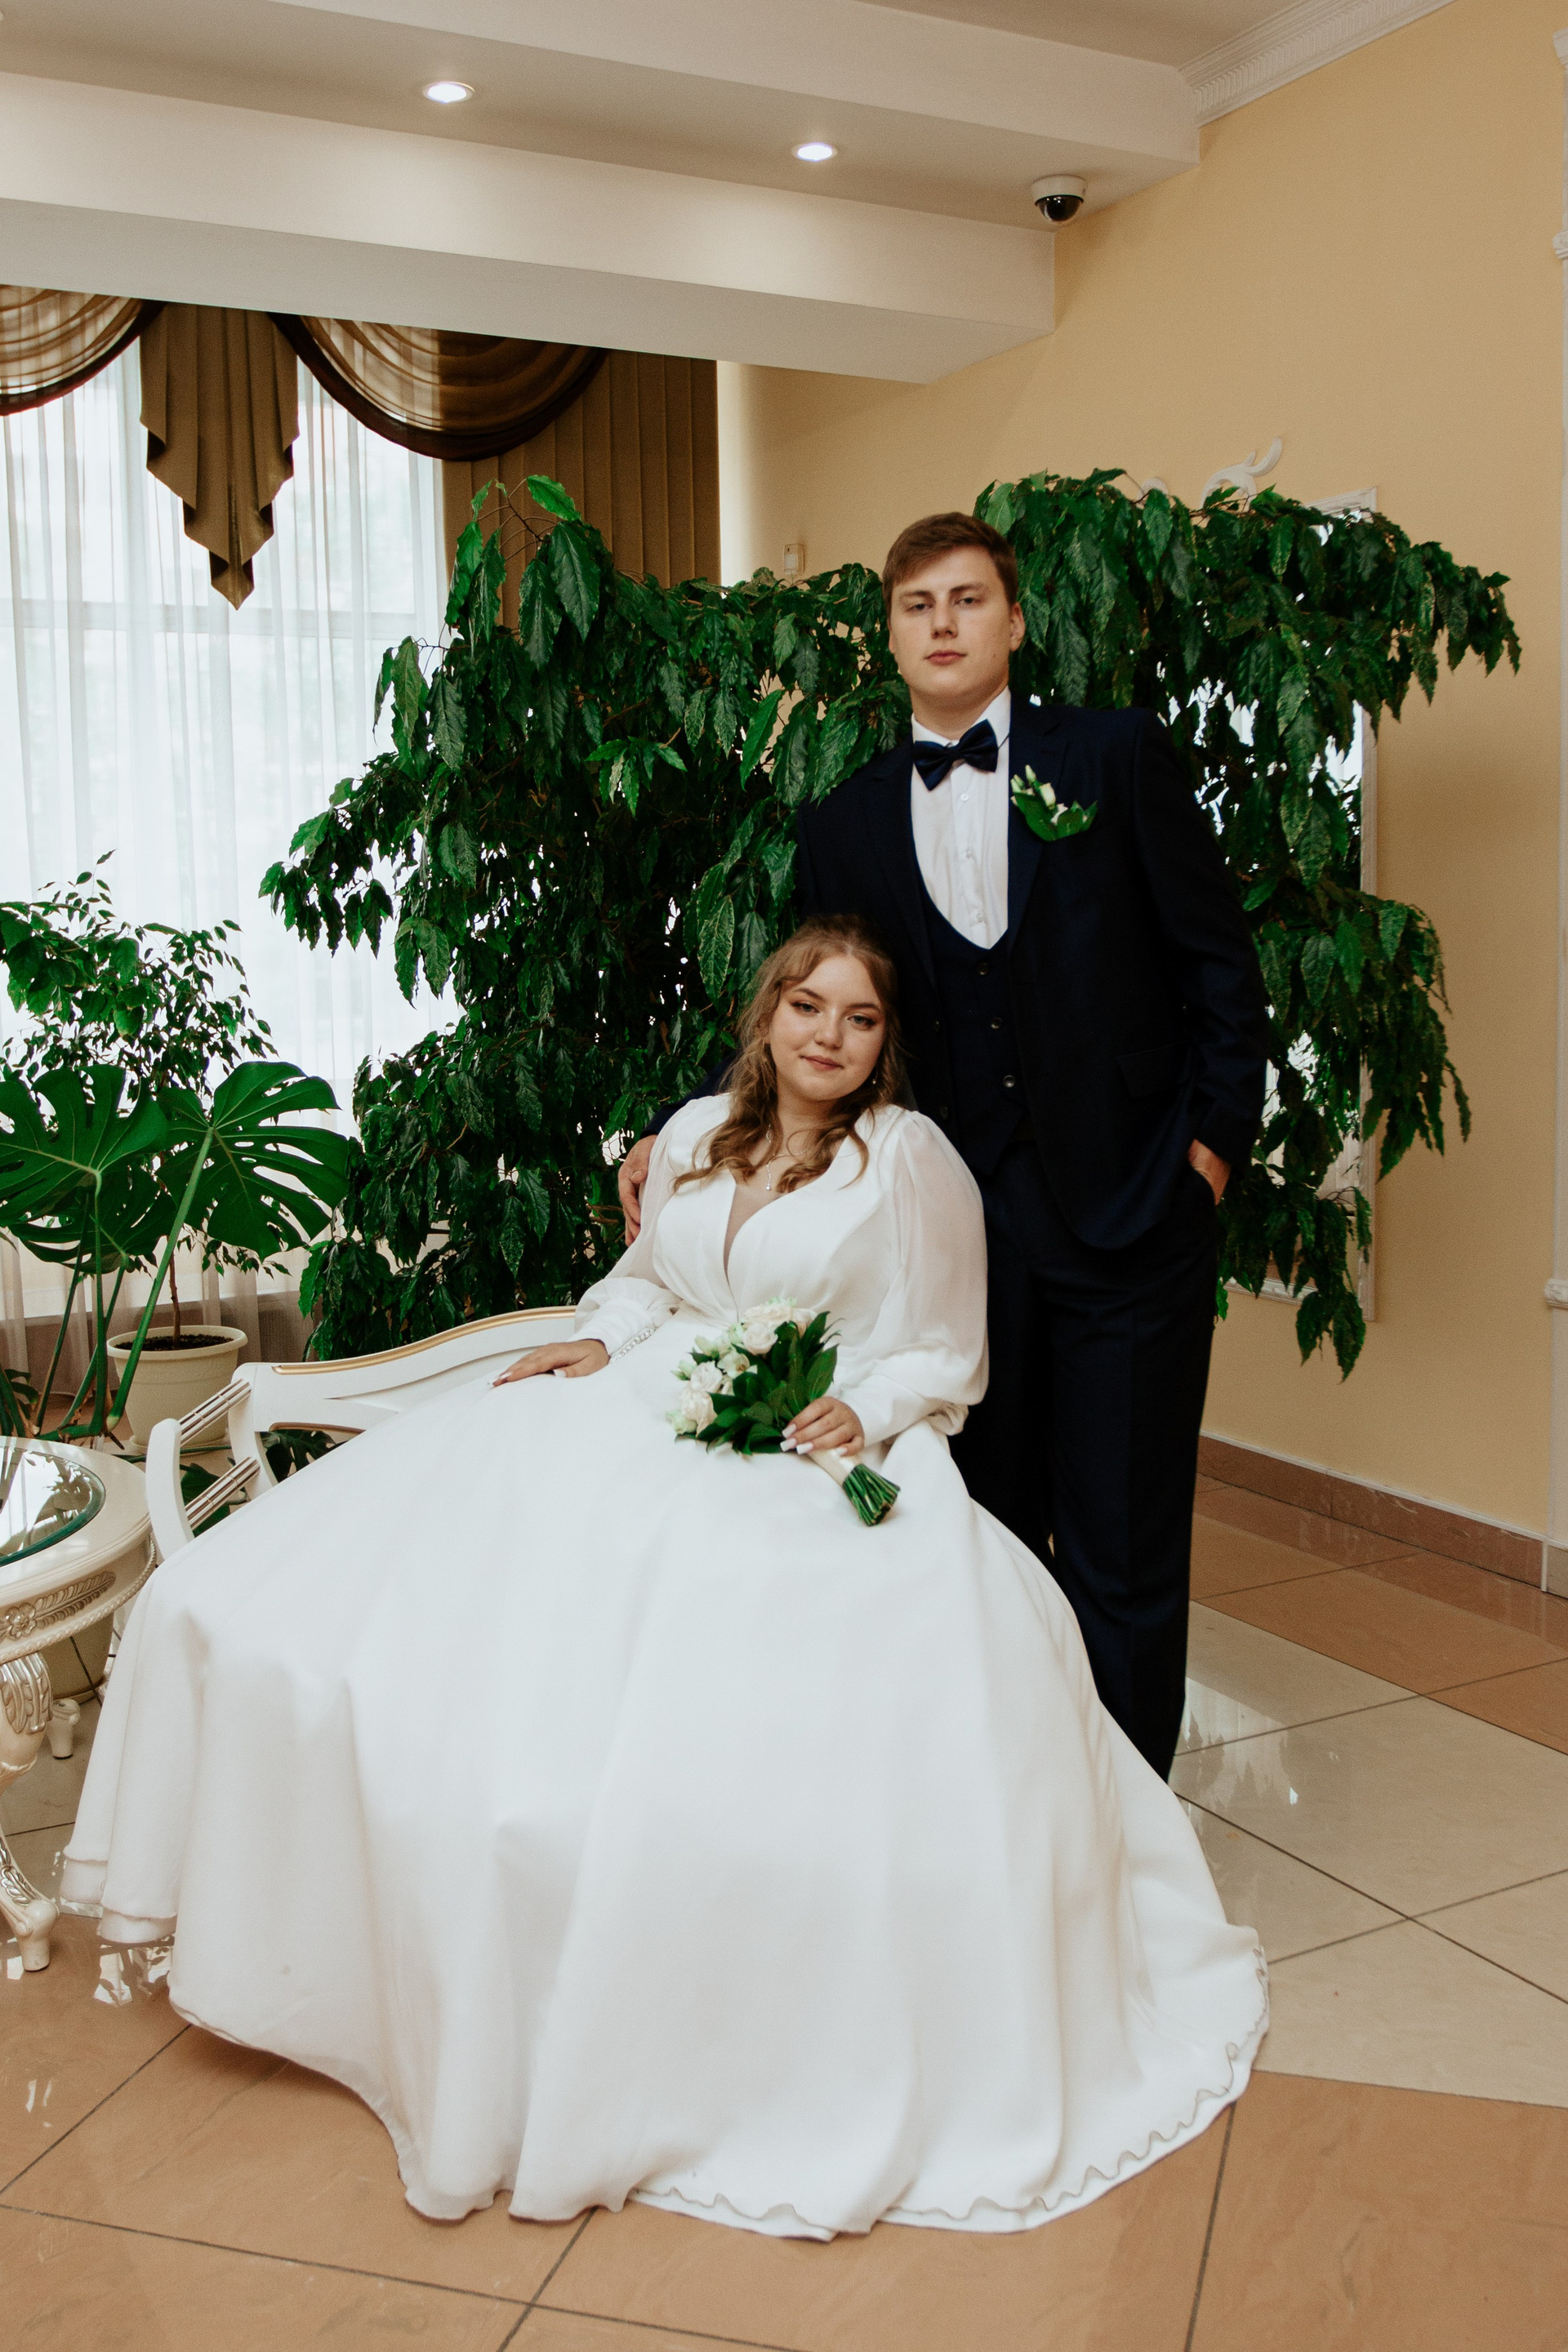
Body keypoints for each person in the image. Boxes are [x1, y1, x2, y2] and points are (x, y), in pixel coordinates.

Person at [64, 916, 1265, 2243]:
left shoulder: (909, 1160)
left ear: (884, 1045)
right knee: (462, 1604)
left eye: (859, 1018)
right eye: (807, 1005)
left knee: (725, 1679)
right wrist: (599, 1340)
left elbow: (945, 1348)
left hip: (816, 1437)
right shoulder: (694, 1133)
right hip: (649, 1402)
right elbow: (649, 1284)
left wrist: (865, 1410)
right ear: (769, 1014)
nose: (828, 1035)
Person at [620, 514, 1270, 1780]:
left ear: (1013, 621)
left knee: (1126, 1547)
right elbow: (813, 1010)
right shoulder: (847, 820)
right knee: (987, 1532)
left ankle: (1127, 1824)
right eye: (917, 604)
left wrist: (1209, 1158)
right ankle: (1017, 1805)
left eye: (968, 599)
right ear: (892, 637)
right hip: (961, 1238)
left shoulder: (1114, 756)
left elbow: (1220, 973)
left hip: (1136, 1214)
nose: (944, 623)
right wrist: (677, 1128)